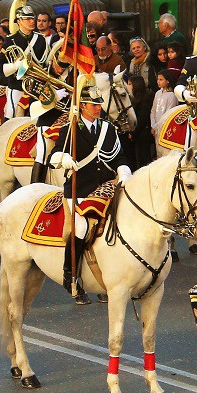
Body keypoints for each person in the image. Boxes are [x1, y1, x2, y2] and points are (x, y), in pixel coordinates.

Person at [48, 78, 128, 302]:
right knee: (81, 229)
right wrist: (63, 158)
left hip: (104, 187)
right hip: (80, 190)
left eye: (99, 104)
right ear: (82, 106)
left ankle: (109, 280)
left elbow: (119, 155)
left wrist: (123, 171)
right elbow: (52, 156)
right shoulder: (70, 129)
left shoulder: (108, 129)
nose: (98, 108)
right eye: (94, 105)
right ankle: (71, 276)